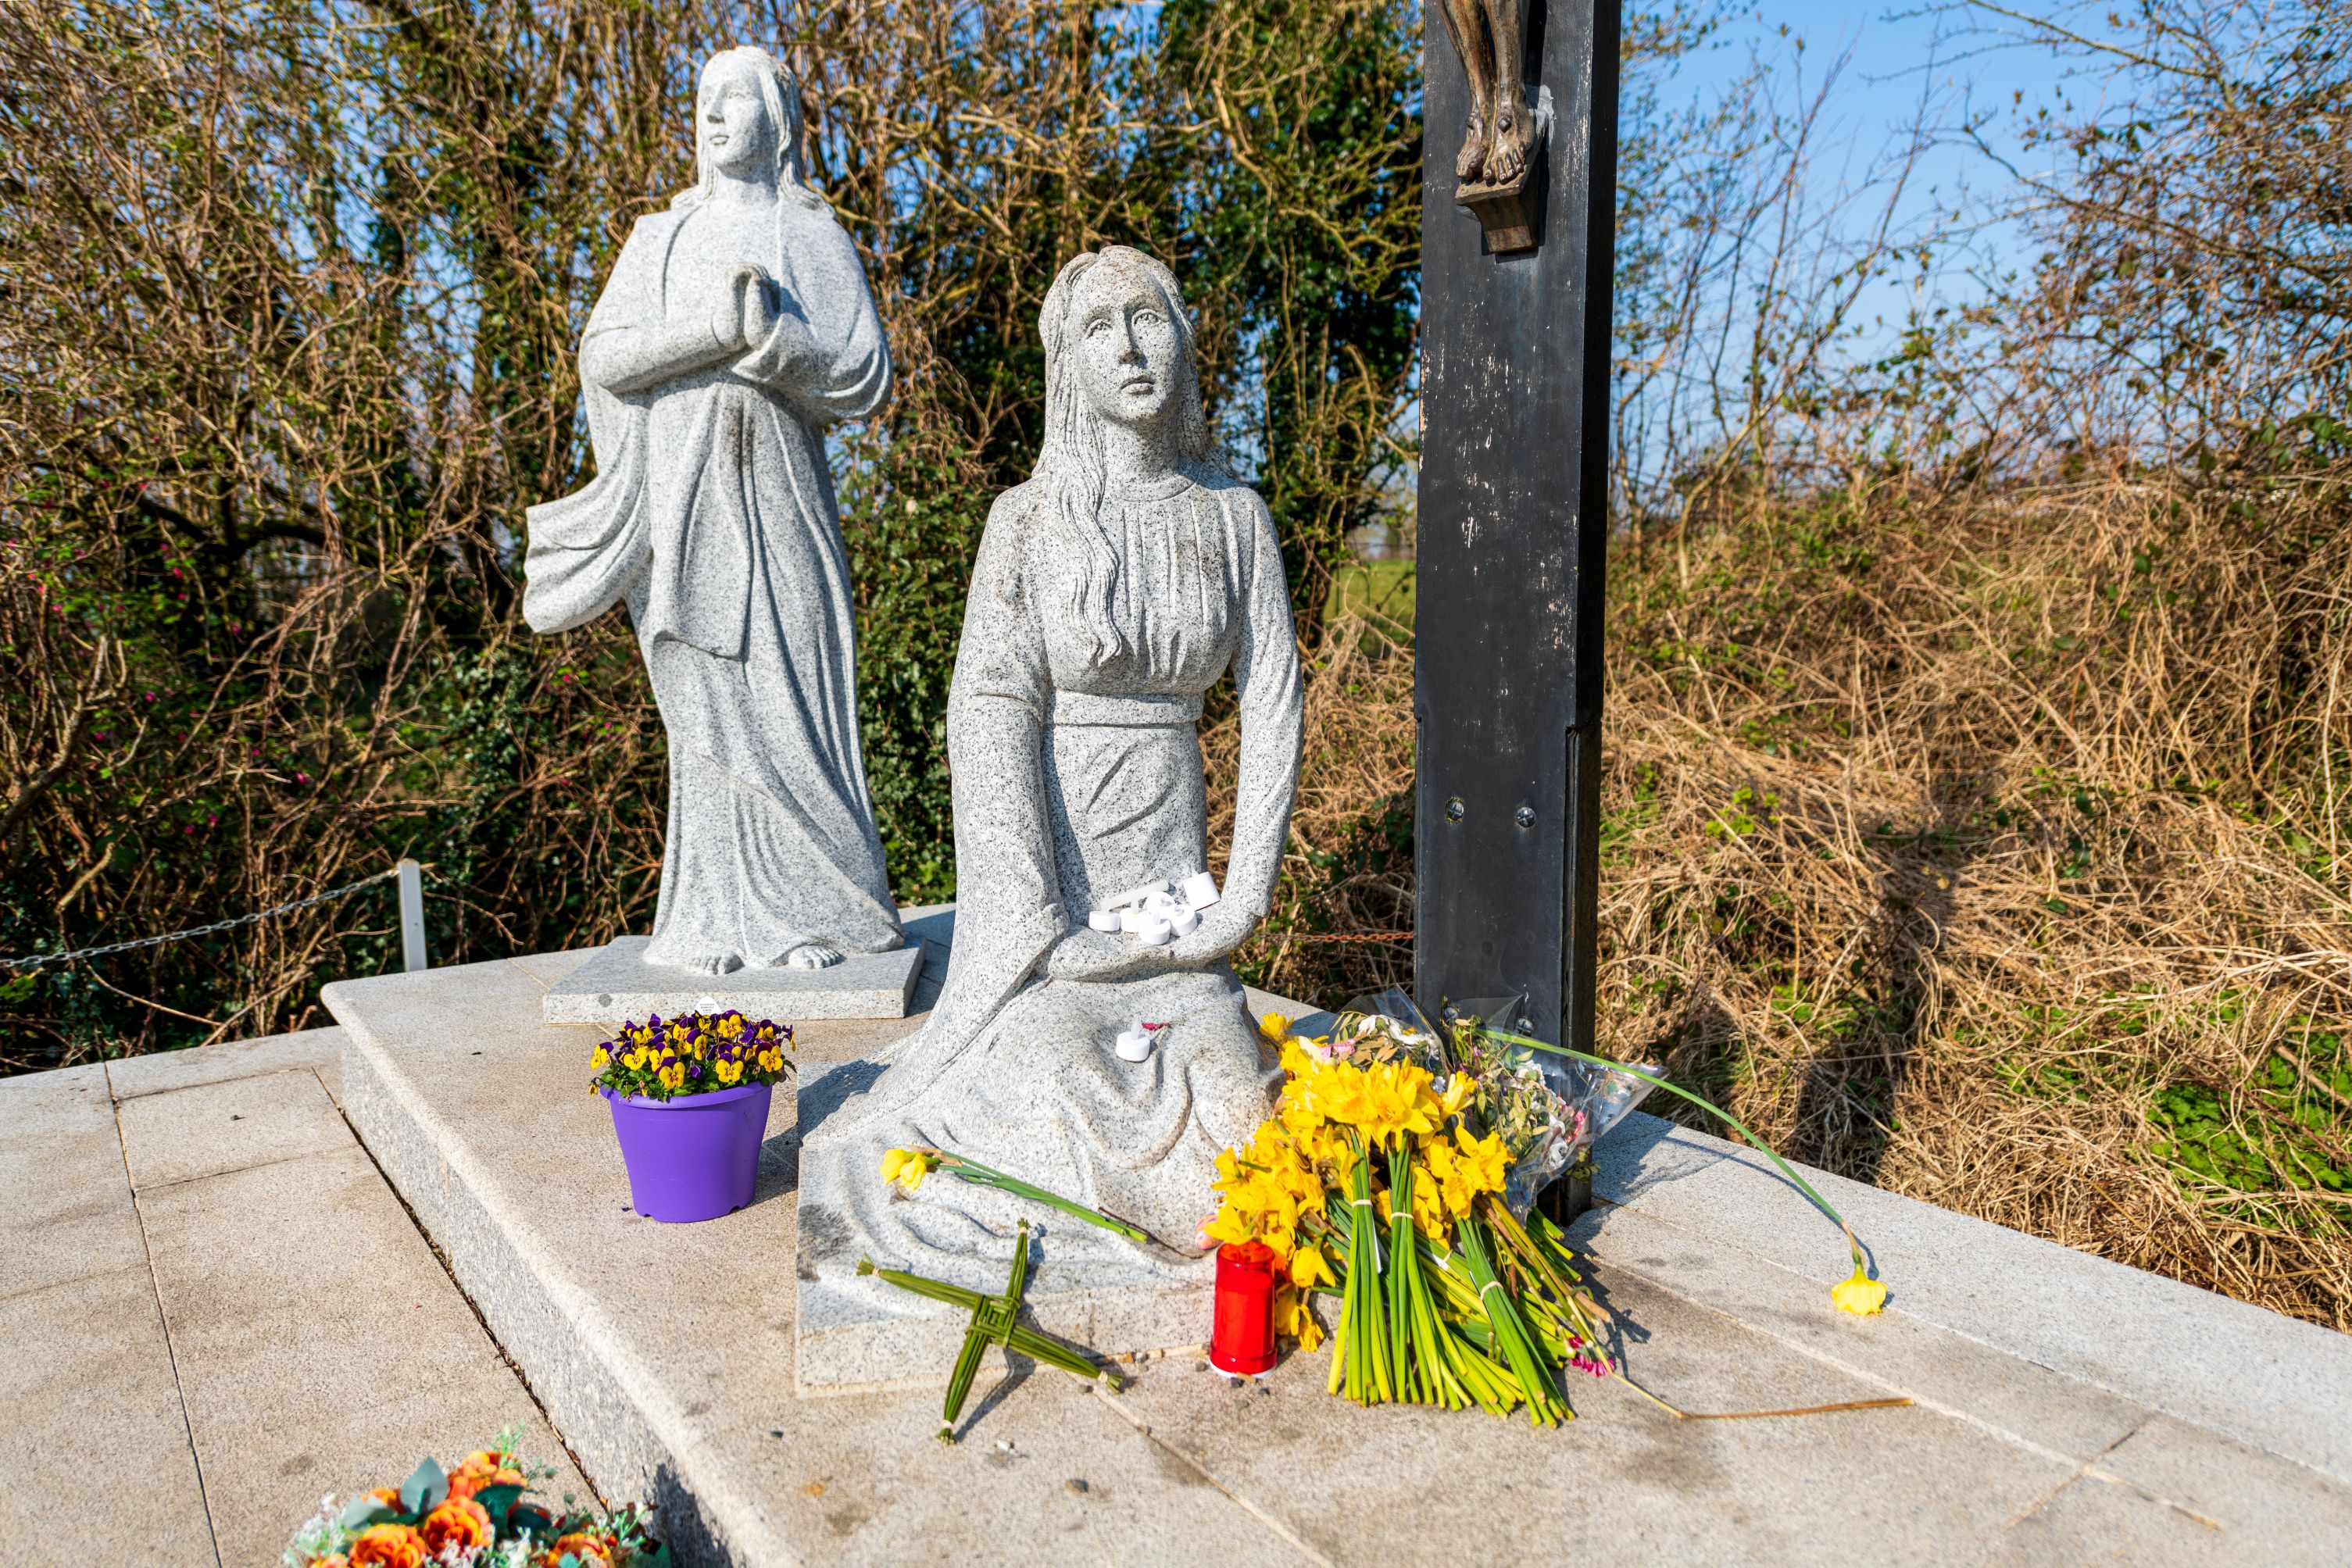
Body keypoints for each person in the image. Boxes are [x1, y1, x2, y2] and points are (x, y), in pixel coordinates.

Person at [802, 246, 1304, 1291]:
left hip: (1176, 925)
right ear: (1062, 362)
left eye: (1149, 318)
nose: (1128, 346)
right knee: (1051, 1081)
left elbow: (1269, 696)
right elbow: (989, 706)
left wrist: (1245, 895)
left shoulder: (1231, 515)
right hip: (1053, 931)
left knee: (1231, 1112)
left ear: (1183, 337)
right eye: (1097, 327)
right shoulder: (1026, 522)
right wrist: (1039, 914)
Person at [522, 46, 901, 975]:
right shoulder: (661, 235)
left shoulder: (807, 232)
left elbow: (865, 372)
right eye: (704, 100)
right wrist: (712, 334)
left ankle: (827, 912)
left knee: (794, 703)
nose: (715, 115)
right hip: (682, 508)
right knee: (707, 717)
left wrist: (773, 334)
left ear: (779, 117)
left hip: (780, 507)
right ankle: (716, 925)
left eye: (737, 98)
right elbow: (607, 359)